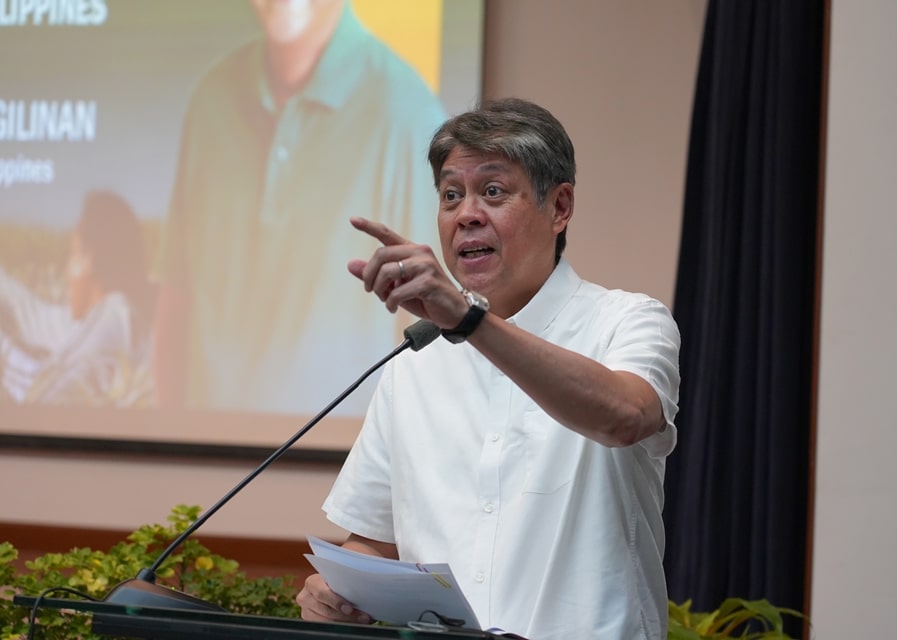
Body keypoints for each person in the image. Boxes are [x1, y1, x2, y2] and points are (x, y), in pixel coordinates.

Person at [296, 98, 682, 640]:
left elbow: (623, 416)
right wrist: (335, 593)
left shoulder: (628, 321)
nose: (467, 214)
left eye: (493, 192)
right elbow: (375, 542)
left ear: (560, 206)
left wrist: (467, 319)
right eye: (452, 195)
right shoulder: (415, 364)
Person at [152, 0, 446, 415]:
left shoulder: (408, 116)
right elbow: (176, 293)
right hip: (202, 451)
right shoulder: (211, 97)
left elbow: (431, 333)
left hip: (341, 460)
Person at [0, 190, 155, 406]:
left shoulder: (115, 314)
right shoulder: (95, 321)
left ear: (89, 260)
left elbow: (52, 401)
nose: (65, 272)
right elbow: (27, 312)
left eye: (71, 254)